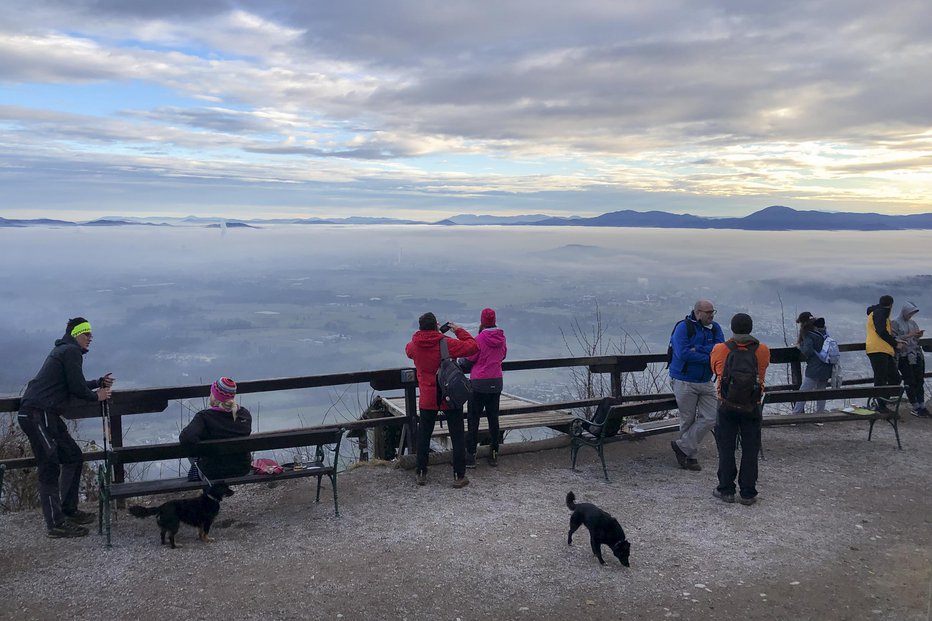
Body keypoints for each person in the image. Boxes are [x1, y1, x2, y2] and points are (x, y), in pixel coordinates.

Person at [17, 317, 114, 538]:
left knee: (72, 456)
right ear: (76, 334)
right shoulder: (70, 352)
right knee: (49, 465)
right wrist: (96, 396)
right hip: (36, 414)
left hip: (44, 414)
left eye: (91, 334)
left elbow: (73, 384)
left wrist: (97, 382)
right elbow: (77, 389)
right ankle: (56, 524)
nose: (90, 338)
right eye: (86, 334)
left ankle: (68, 510)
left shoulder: (66, 351)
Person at [405, 312, 478, 488]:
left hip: (427, 398)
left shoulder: (414, 346)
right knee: (457, 435)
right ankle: (458, 476)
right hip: (449, 396)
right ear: (435, 326)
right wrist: (459, 331)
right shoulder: (446, 343)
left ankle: (421, 472)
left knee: (424, 435)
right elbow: (473, 347)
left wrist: (427, 333)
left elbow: (408, 350)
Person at [710, 313, 770, 506]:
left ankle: (726, 490)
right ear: (751, 328)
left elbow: (714, 369)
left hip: (726, 405)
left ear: (733, 328)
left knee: (726, 448)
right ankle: (748, 492)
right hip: (753, 406)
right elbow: (763, 369)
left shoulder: (720, 349)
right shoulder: (762, 350)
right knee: (750, 449)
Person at [668, 300, 725, 471]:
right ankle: (689, 457)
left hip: (706, 380)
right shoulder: (683, 328)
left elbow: (720, 350)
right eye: (708, 312)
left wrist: (698, 349)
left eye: (713, 312)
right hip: (684, 379)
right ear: (697, 312)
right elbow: (683, 353)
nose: (711, 315)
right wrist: (708, 355)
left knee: (712, 417)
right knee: (688, 419)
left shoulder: (715, 328)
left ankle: (682, 446)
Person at [180, 377, 253, 480]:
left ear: (214, 396)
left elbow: (186, 438)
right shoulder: (244, 415)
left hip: (212, 472)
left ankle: (206, 489)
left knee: (193, 450)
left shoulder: (204, 417)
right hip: (242, 468)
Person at [465, 308, 507, 468]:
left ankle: (471, 456)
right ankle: (494, 453)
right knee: (493, 419)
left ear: (482, 321)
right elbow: (503, 355)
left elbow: (469, 359)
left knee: (473, 419)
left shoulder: (479, 339)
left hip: (479, 384)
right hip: (496, 382)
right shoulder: (502, 338)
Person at [866, 295, 903, 412]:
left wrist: (894, 342)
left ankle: (880, 402)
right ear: (891, 304)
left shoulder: (879, 312)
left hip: (884, 350)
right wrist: (895, 344)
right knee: (881, 379)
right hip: (878, 349)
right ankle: (880, 406)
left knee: (895, 378)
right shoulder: (880, 313)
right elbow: (881, 331)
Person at [792, 312, 834, 414]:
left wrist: (799, 346)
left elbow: (808, 351)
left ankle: (795, 415)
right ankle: (819, 415)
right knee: (821, 391)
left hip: (814, 368)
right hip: (826, 366)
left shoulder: (808, 334)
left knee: (803, 391)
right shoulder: (823, 331)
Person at [891, 302, 928, 417]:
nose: (911, 315)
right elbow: (893, 338)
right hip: (904, 356)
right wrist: (909, 335)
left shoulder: (913, 323)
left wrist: (917, 336)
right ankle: (915, 405)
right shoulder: (895, 323)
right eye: (910, 312)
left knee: (919, 379)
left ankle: (922, 405)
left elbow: (915, 339)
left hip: (915, 354)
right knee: (909, 381)